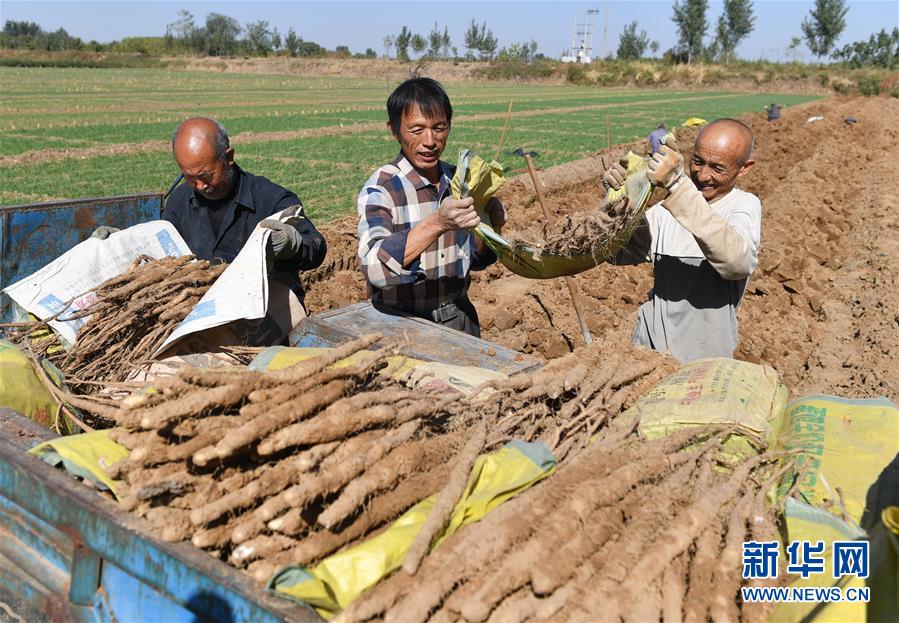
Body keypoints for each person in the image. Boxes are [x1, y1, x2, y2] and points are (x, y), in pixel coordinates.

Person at [356, 77, 506, 338]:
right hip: (399, 327)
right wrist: (438, 223)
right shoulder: (382, 189)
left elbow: (476, 258)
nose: (430, 141)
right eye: (417, 130)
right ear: (393, 129)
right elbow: (374, 267)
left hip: (460, 320)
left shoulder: (459, 180)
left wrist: (492, 225)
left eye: (439, 128)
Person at [604, 118, 761, 362]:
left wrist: (678, 185)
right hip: (646, 352)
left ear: (744, 168)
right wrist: (618, 203)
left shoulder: (742, 206)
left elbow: (737, 263)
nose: (702, 175)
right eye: (697, 161)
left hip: (703, 362)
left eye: (717, 168)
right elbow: (617, 252)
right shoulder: (664, 211)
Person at [162, 117, 326, 309]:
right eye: (189, 177)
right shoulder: (178, 201)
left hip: (266, 311)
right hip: (202, 311)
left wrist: (292, 243)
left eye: (206, 175)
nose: (200, 186)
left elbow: (316, 247)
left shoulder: (271, 199)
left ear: (228, 157)